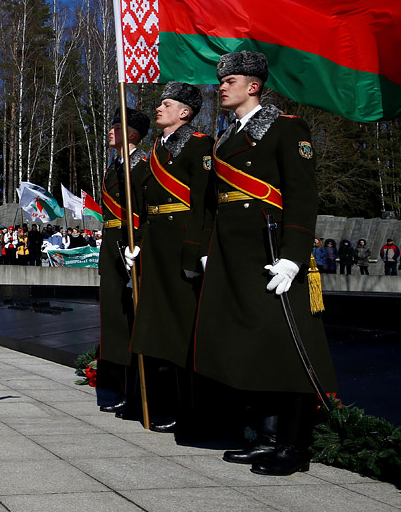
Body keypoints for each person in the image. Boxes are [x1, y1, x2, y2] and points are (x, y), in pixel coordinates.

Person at [193, 51, 337, 476]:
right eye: (221, 80)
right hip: (235, 255)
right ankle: (266, 437)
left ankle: (294, 446)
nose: (221, 86)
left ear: (254, 86)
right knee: (252, 346)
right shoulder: (224, 137)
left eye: (231, 80)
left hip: (271, 251)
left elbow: (302, 196)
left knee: (286, 345)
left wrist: (294, 258)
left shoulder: (286, 129)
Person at [128, 82, 213, 434]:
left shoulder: (199, 145)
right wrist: (137, 243)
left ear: (185, 112)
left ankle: (192, 412)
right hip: (156, 247)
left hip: (180, 245)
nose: (158, 109)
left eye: (166, 104)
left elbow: (203, 204)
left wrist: (197, 252)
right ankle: (165, 405)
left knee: (182, 332)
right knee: (159, 330)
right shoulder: (156, 151)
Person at [97, 106, 150, 418]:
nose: (110, 132)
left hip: (130, 245)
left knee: (132, 320)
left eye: (115, 127)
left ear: (131, 134)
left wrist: (139, 245)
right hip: (111, 245)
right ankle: (119, 387)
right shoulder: (113, 166)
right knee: (115, 321)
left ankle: (134, 390)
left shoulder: (141, 164)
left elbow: (143, 209)